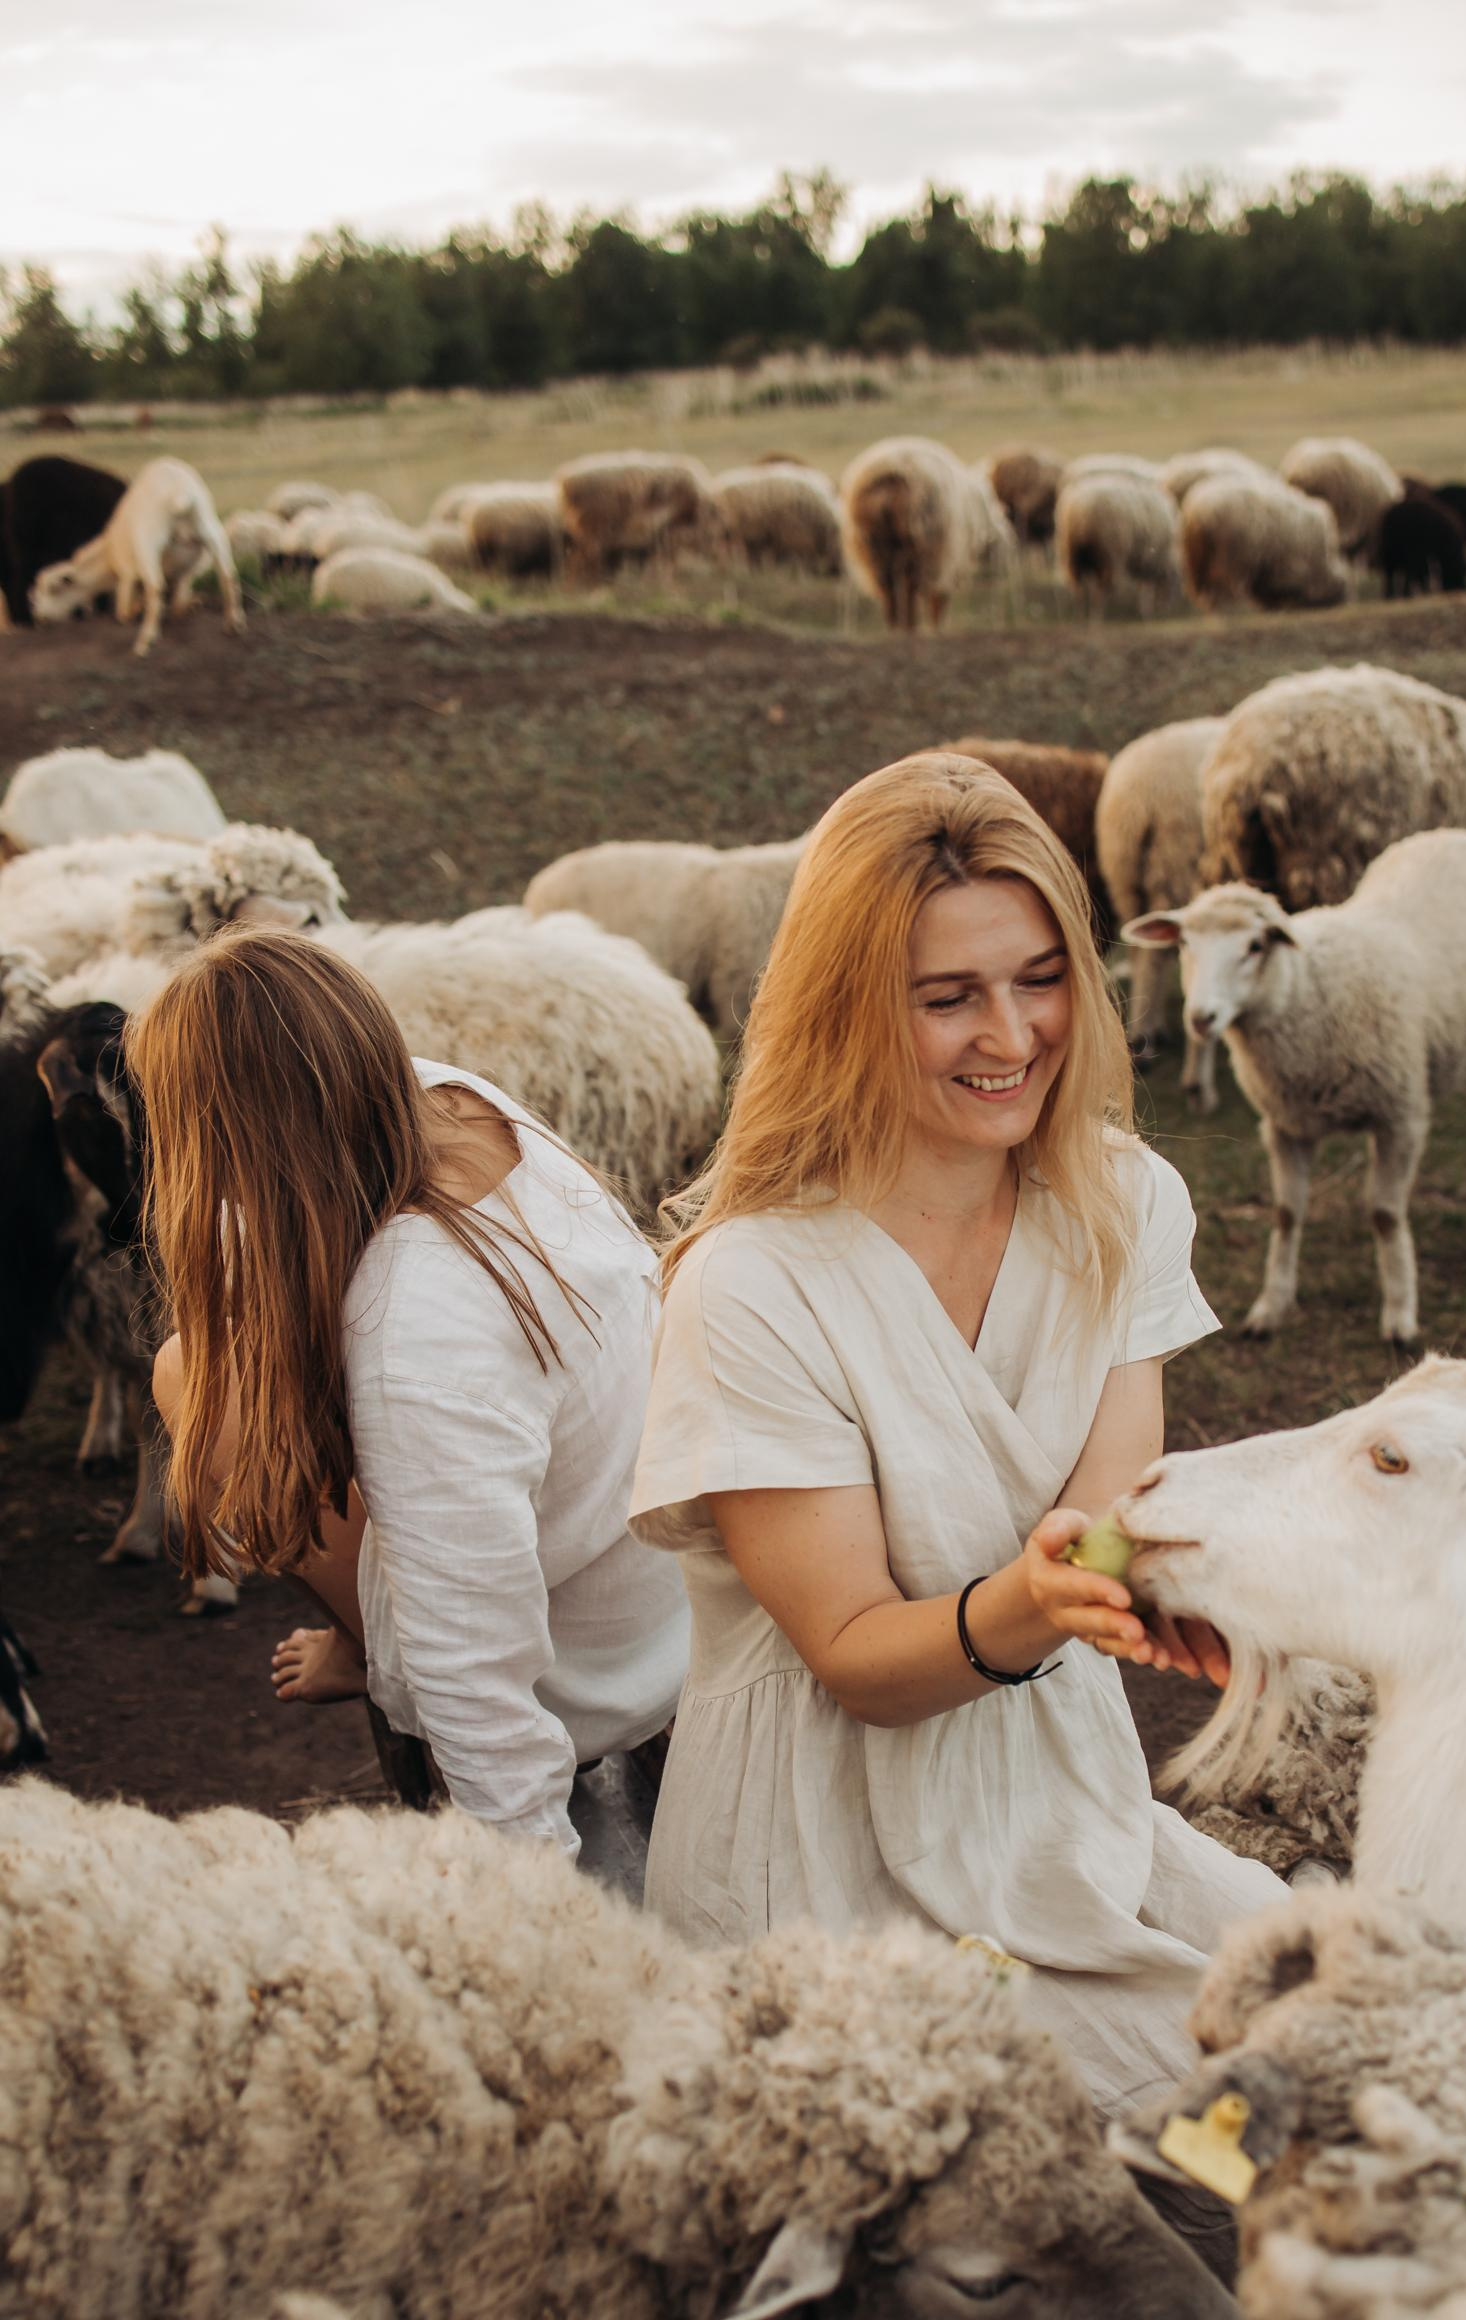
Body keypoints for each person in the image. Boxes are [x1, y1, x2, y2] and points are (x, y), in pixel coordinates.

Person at [630, 752, 1285, 2113]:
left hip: (1061, 1804)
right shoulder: (755, 1284)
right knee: (1192, 2138)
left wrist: (1176, 1581)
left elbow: (1106, 1525)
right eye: (948, 998)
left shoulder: (1122, 1202)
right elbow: (858, 1657)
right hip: (827, 1867)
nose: (1010, 1034)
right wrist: (1050, 1601)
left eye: (1040, 978)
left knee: (1352, 2043)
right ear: (847, 1009)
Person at [135, 926, 689, 1864]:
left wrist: (534, 1893)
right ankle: (365, 1644)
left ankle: (368, 1648)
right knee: (221, 1362)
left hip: (597, 1666)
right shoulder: (453, 1098)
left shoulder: (418, 1330)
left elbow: (473, 1667)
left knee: (195, 1380)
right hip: (648, 1566)